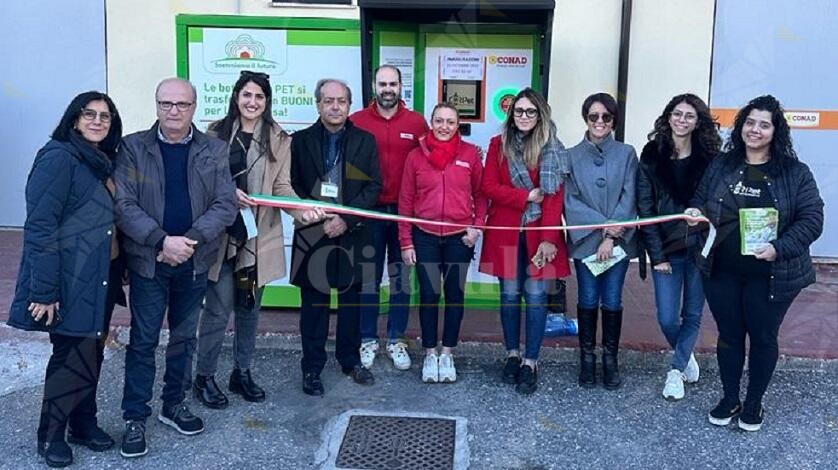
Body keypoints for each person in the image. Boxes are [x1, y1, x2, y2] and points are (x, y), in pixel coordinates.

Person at [114, 78, 237, 458]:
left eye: (181, 104)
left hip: (194, 260)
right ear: (156, 105)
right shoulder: (133, 147)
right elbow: (124, 204)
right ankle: (135, 416)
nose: (173, 111)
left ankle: (173, 404)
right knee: (144, 341)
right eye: (166, 103)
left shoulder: (214, 150)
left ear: (194, 107)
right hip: (150, 262)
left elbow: (225, 204)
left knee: (184, 338)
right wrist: (160, 241)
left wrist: (189, 241)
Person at [687, 95, 823, 431]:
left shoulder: (795, 173)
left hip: (771, 274)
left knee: (763, 336)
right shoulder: (722, 164)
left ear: (776, 131)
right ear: (741, 126)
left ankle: (754, 403)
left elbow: (812, 218)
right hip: (721, 270)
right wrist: (695, 214)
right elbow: (702, 201)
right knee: (730, 334)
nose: (755, 130)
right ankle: (730, 398)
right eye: (750, 122)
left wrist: (779, 248)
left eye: (764, 124)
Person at [8, 92, 124, 467]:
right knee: (68, 354)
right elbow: (41, 227)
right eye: (88, 114)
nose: (97, 121)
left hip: (100, 277)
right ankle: (51, 434)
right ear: (73, 119)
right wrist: (44, 291)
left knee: (91, 351)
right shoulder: (58, 157)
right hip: (68, 279)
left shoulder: (101, 161)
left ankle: (83, 423)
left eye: (105, 117)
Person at [194, 70, 311, 408]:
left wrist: (302, 212)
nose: (252, 102)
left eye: (259, 96)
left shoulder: (278, 138)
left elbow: (282, 187)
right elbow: (200, 182)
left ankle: (241, 372)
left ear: (266, 101)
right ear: (236, 97)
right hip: (221, 237)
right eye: (247, 95)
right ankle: (204, 376)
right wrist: (229, 193)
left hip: (257, 240)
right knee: (216, 311)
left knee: (249, 308)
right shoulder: (214, 134)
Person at [289, 79, 381, 397]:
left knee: (351, 304)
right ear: (318, 105)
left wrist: (346, 218)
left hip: (352, 234)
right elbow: (292, 186)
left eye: (341, 101)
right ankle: (312, 368)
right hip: (313, 233)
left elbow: (373, 187)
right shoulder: (299, 142)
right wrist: (320, 218)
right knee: (313, 306)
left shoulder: (366, 141)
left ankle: (350, 361)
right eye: (328, 101)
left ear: (349, 105)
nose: (335, 107)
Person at [479, 88, 570, 395]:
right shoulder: (498, 144)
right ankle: (512, 355)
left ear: (541, 114)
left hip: (539, 237)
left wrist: (548, 240)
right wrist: (525, 197)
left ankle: (531, 361)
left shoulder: (553, 148)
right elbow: (488, 185)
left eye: (530, 111)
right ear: (511, 114)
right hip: (505, 234)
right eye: (519, 111)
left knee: (535, 299)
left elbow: (555, 199)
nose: (524, 117)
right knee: (508, 297)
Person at [636, 93, 721, 401]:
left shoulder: (710, 158)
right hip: (666, 249)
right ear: (668, 116)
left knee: (693, 312)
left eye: (689, 115)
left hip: (700, 247)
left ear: (698, 122)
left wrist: (705, 213)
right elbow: (645, 209)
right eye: (677, 114)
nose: (682, 120)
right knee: (667, 318)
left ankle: (675, 370)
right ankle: (685, 354)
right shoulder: (651, 154)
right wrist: (656, 255)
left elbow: (719, 201)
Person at [399, 103, 487, 384]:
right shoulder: (415, 156)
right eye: (439, 121)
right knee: (428, 294)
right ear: (431, 123)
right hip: (424, 235)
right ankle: (429, 353)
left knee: (454, 295)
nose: (444, 127)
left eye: (450, 121)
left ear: (458, 125)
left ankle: (447, 353)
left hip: (459, 238)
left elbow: (482, 195)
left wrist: (476, 229)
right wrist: (406, 242)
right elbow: (405, 201)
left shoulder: (470, 154)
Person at [350, 65, 429, 371]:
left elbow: (428, 160)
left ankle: (396, 340)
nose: (387, 89)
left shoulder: (416, 122)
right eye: (382, 83)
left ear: (400, 87)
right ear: (374, 85)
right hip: (368, 212)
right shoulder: (357, 121)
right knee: (368, 279)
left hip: (403, 214)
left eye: (392, 84)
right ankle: (368, 339)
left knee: (401, 280)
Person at [564, 92, 638, 390]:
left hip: (617, 245)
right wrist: (598, 232)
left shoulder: (627, 153)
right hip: (585, 243)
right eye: (594, 116)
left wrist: (610, 235)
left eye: (606, 117)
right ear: (586, 118)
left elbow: (629, 195)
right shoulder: (571, 155)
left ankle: (610, 360)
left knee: (612, 299)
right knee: (587, 298)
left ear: (613, 120)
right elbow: (570, 200)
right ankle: (587, 359)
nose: (599, 122)